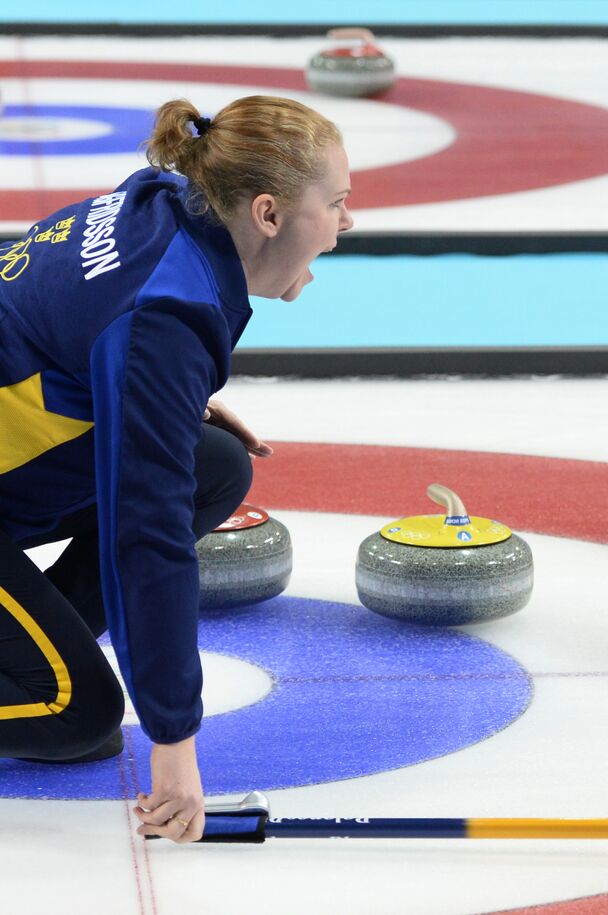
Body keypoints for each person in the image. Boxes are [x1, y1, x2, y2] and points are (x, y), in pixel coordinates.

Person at [0, 95, 352, 843]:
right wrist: (173, 741)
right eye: (337, 203)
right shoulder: (163, 315)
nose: (346, 224)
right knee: (73, 711)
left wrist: (158, 401)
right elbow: (146, 531)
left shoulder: (162, 201)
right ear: (267, 214)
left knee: (211, 464)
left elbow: (67, 321)